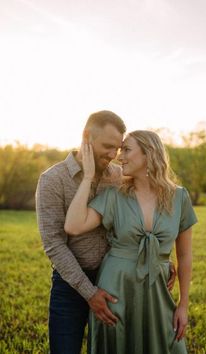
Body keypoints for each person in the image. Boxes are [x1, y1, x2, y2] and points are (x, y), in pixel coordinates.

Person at [36, 111, 177, 354]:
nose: (114, 155)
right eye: (108, 147)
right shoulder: (52, 180)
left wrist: (159, 257)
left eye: (119, 148)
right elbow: (54, 245)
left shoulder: (119, 176)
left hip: (115, 283)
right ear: (87, 137)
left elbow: (145, 215)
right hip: (70, 286)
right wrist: (89, 293)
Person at [65, 130, 197, 354]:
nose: (119, 156)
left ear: (148, 153)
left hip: (158, 291)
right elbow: (73, 226)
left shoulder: (180, 197)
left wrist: (183, 305)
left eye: (126, 149)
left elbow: (184, 256)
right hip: (116, 288)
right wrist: (87, 177)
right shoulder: (114, 196)